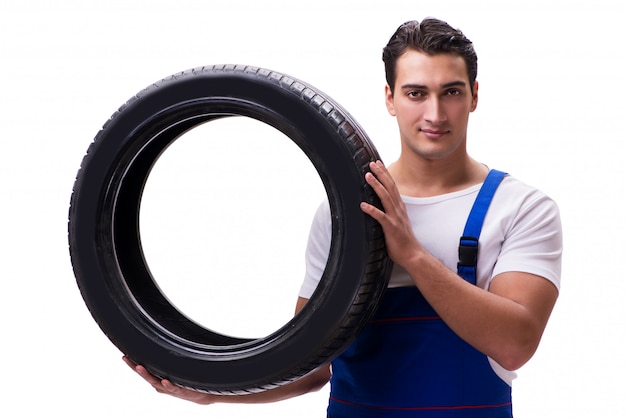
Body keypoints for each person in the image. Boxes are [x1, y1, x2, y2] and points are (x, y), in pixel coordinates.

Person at [124, 17, 562, 417]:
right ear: (390, 99)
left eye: (451, 92)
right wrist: (215, 391)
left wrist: (412, 254)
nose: (434, 113)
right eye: (415, 93)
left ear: (474, 96)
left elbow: (515, 345)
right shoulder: (342, 216)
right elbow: (310, 366)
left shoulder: (521, 208)